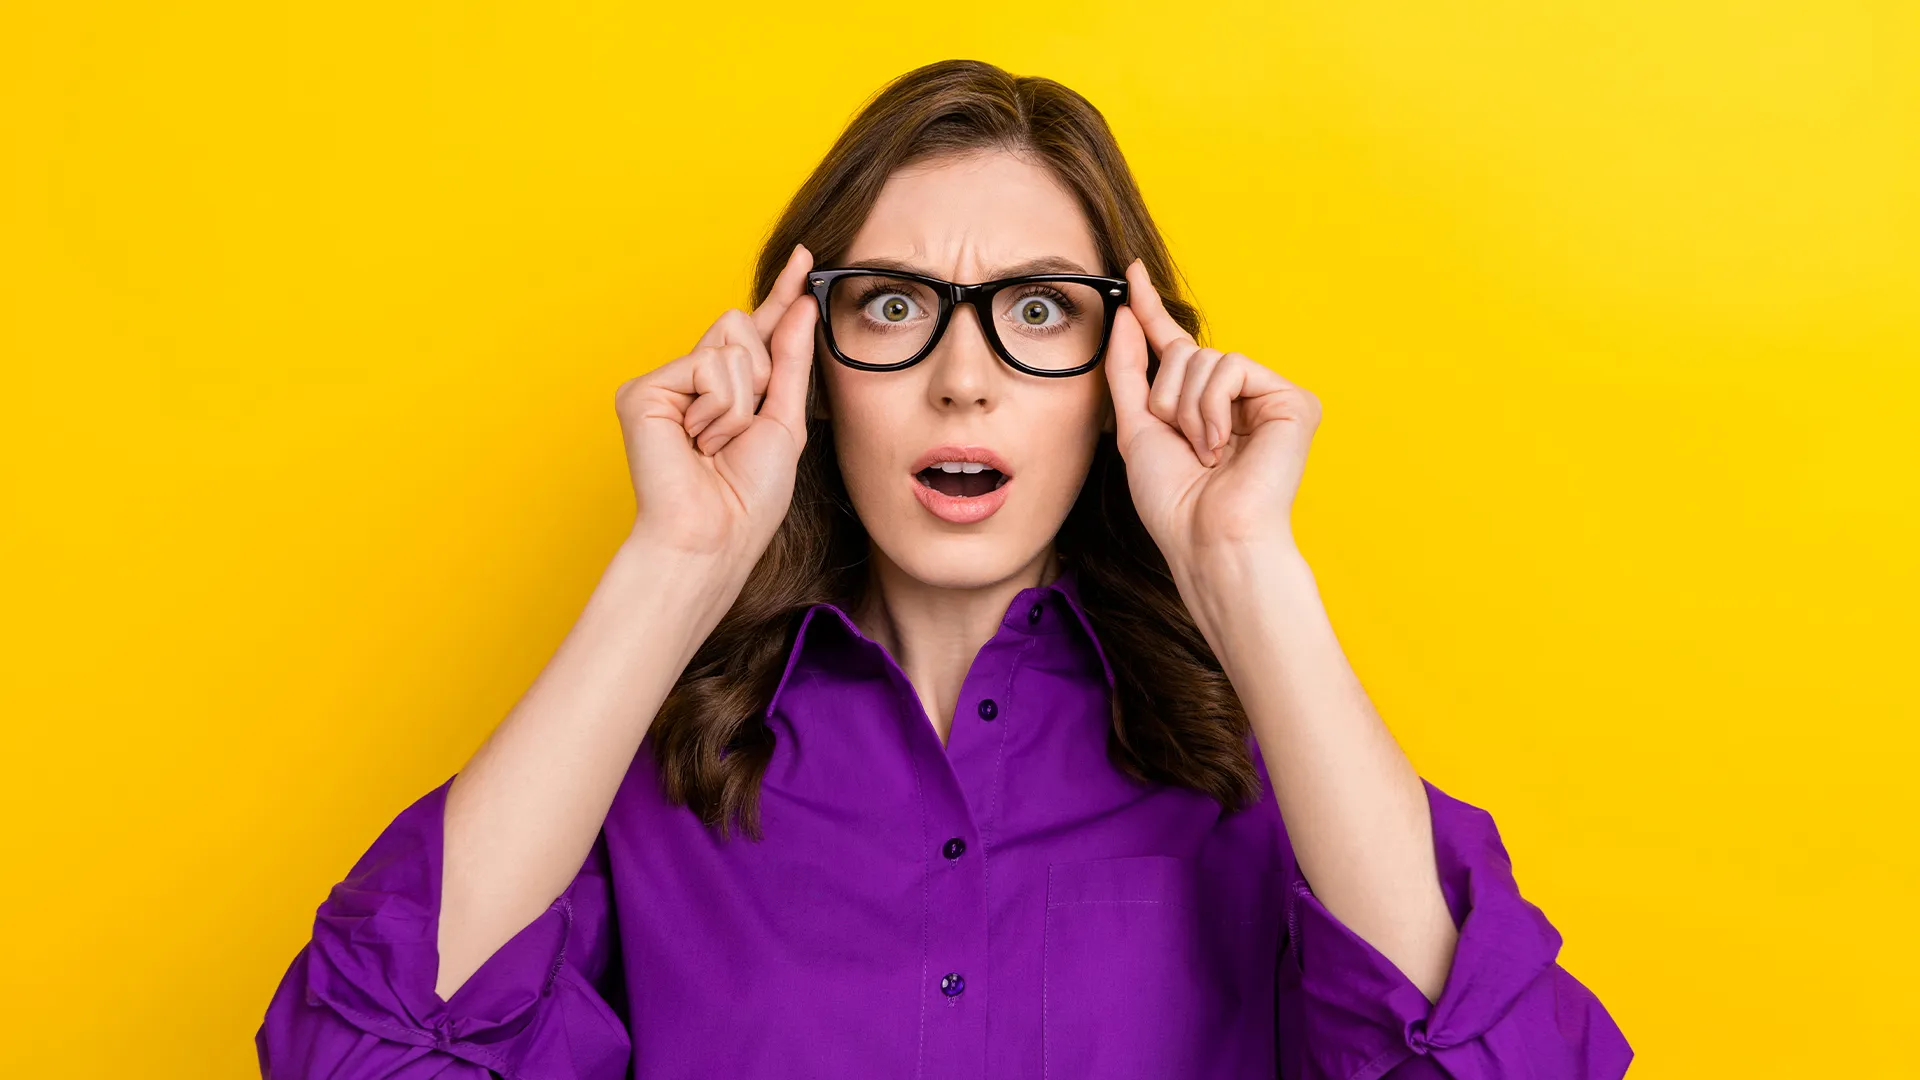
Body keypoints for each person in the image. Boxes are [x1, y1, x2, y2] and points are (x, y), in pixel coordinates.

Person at [256, 59, 1631, 1079]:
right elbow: (358, 1054)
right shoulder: (648, 782)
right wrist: (673, 564)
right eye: (896, 306)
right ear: (806, 363)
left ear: (1120, 377)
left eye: (1038, 311)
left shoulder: (1269, 777)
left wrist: (1247, 571)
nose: (962, 380)